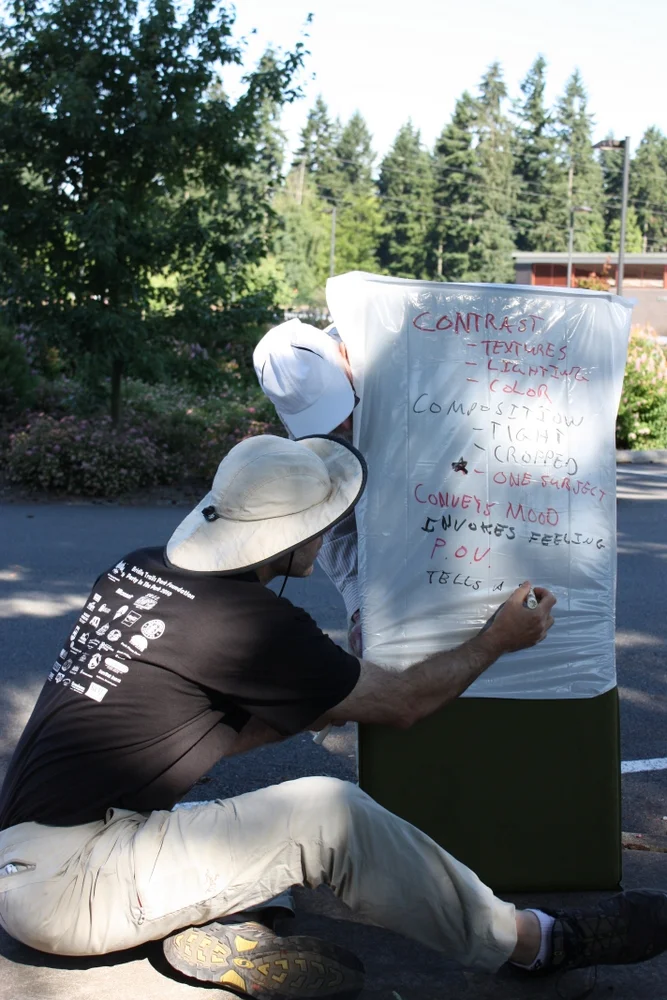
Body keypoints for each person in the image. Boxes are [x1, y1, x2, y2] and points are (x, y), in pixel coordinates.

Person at [1, 434, 666, 1000]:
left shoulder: (139, 571)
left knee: (259, 834)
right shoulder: (251, 624)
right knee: (327, 812)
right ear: (287, 536)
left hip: (34, 855)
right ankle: (535, 942)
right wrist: (497, 640)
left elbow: (195, 734)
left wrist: (322, 693)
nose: (326, 533)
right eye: (321, 520)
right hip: (72, 889)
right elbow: (403, 705)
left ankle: (227, 922)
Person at [253, 319, 362, 655]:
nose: (345, 423)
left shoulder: (389, 342)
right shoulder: (301, 419)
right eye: (327, 418)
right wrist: (359, 603)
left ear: (345, 353)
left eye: (345, 401)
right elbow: (334, 516)